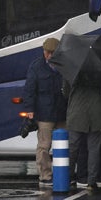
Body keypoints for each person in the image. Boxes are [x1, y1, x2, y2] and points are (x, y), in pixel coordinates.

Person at [22, 37, 67, 188]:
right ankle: (45, 175)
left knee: (64, 144)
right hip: (45, 113)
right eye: (47, 52)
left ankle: (63, 173)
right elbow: (29, 90)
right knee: (44, 145)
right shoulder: (36, 66)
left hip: (61, 111)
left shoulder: (64, 64)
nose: (49, 55)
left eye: (52, 52)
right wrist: (29, 110)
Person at [64, 76, 101, 191]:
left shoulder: (71, 71)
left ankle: (68, 178)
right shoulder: (98, 71)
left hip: (77, 113)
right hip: (96, 113)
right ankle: (91, 181)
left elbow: (66, 92)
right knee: (94, 149)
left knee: (72, 148)